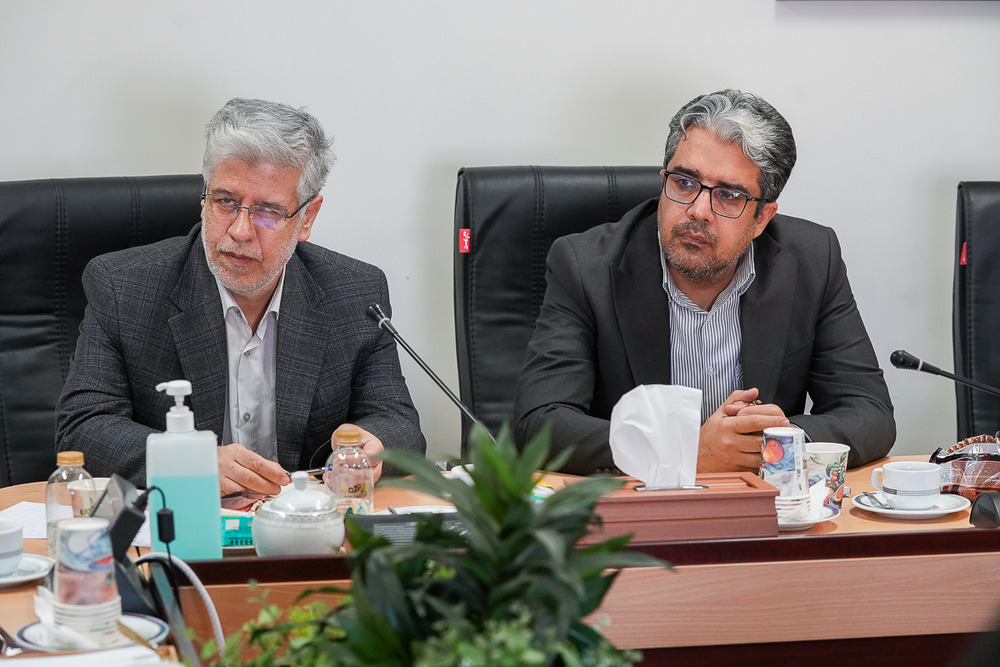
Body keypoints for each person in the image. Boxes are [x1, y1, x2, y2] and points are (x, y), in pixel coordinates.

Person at [513, 89, 895, 476]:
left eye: (728, 195)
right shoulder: (584, 267)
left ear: (762, 219)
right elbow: (540, 423)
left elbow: (870, 412)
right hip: (639, 503)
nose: (698, 210)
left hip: (757, 503)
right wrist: (684, 453)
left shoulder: (812, 260)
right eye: (684, 182)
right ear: (663, 181)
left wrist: (770, 444)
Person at [56, 97, 425, 495]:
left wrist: (372, 444)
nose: (240, 231)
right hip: (188, 520)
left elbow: (397, 422)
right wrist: (188, 462)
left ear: (307, 217)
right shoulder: (124, 287)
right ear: (204, 199)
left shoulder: (355, 292)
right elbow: (83, 428)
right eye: (226, 202)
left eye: (268, 211)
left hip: (305, 520)